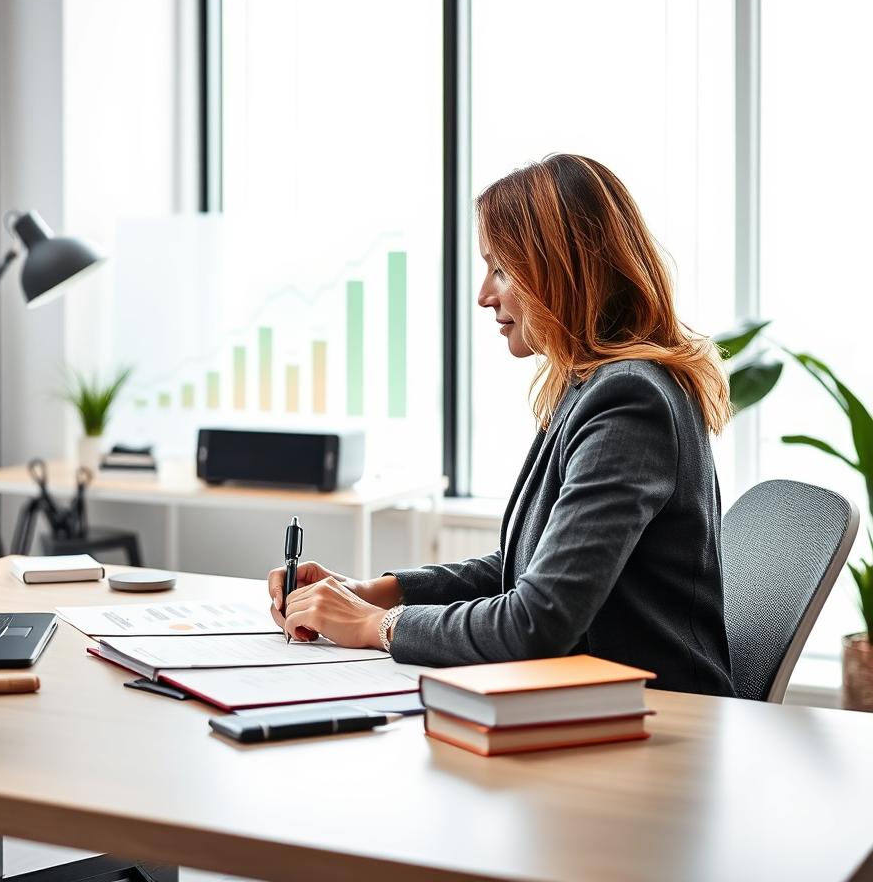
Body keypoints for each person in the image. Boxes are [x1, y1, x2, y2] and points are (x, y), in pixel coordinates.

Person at [269, 153, 735, 695]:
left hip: (658, 721)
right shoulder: (590, 386)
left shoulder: (629, 400)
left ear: (565, 269)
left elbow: (536, 622)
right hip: (589, 704)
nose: (484, 295)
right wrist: (378, 593)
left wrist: (375, 627)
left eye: (502, 269)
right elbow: (526, 570)